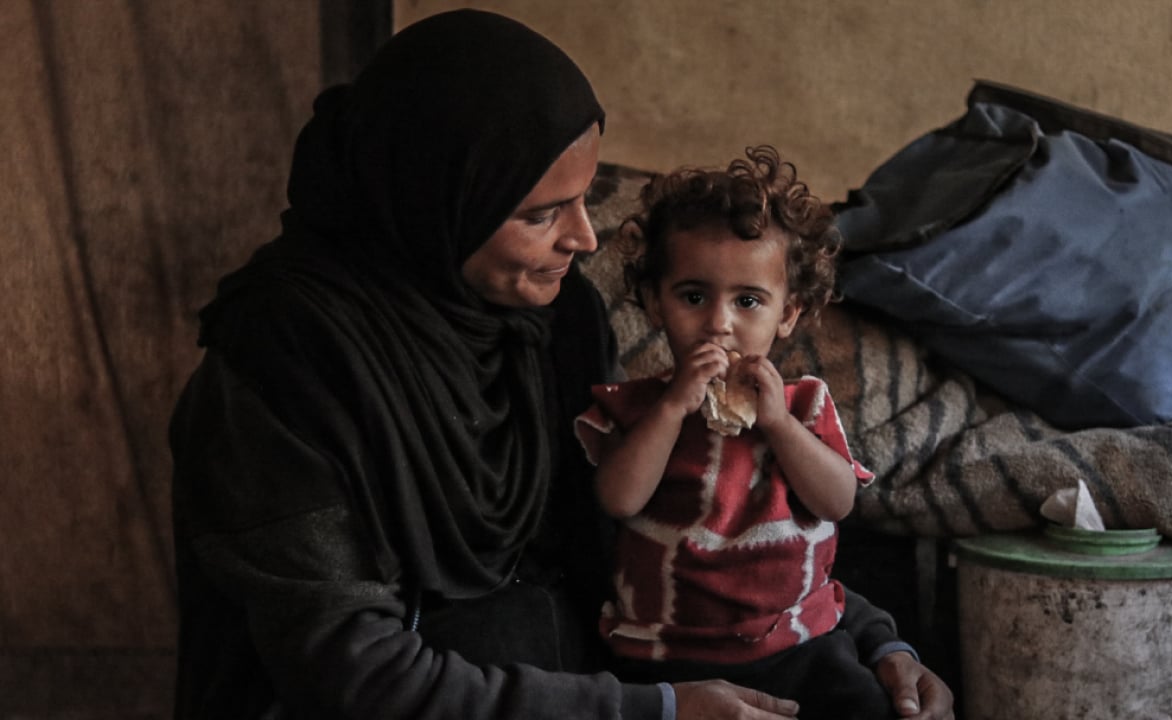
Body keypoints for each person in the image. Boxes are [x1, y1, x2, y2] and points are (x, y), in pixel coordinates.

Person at [168, 9, 954, 720]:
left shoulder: (544, 322)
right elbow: (352, 675)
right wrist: (659, 714)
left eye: (582, 201)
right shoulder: (285, 374)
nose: (583, 239)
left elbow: (668, 531)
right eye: (541, 214)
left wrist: (875, 645)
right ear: (436, 204)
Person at [574, 147, 902, 719]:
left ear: (788, 314)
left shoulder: (802, 405)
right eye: (694, 296)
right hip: (668, 651)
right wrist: (676, 406)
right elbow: (618, 498)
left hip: (798, 640)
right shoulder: (639, 408)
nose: (720, 322)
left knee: (868, 706)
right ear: (654, 303)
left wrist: (776, 424)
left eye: (748, 300)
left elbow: (837, 500)